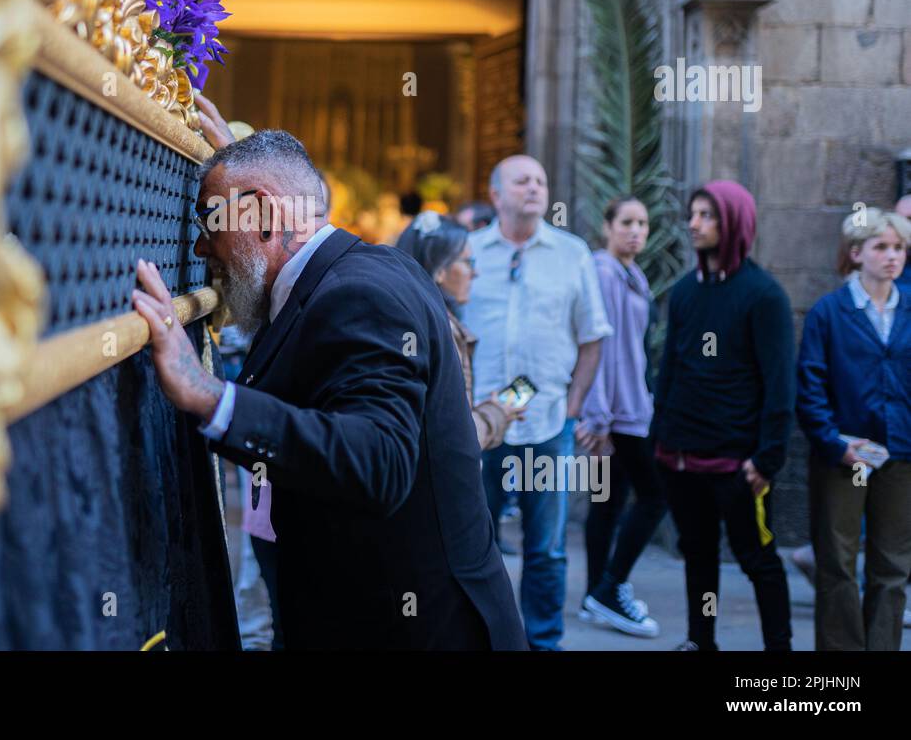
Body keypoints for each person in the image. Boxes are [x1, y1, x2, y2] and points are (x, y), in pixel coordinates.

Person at [130, 124, 526, 650]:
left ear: (265, 214)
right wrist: (237, 179)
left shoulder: (358, 293)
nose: (202, 245)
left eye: (209, 219)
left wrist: (206, 393)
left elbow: (379, 461)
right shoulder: (331, 275)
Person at [464, 155, 613, 650]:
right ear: (496, 195)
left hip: (548, 426)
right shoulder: (470, 253)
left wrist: (572, 407)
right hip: (479, 427)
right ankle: (480, 638)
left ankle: (544, 644)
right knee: (472, 542)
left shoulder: (572, 255)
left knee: (546, 548)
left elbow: (593, 337)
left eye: (541, 179)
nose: (534, 187)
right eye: (522, 180)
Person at [653, 180, 794, 651]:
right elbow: (671, 368)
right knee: (698, 554)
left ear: (733, 222)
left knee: (759, 560)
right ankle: (701, 640)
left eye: (706, 215)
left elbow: (780, 384)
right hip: (681, 458)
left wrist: (766, 460)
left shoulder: (763, 295)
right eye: (692, 214)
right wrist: (661, 439)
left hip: (739, 466)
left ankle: (780, 649)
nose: (693, 224)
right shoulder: (685, 292)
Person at [797, 207, 911, 651]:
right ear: (856, 252)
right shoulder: (829, 312)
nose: (891, 256)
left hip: (901, 453)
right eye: (881, 247)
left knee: (893, 565)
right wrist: (833, 443)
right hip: (844, 456)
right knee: (837, 564)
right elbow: (809, 386)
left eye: (898, 247)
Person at [579, 196, 665, 638]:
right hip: (618, 413)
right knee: (653, 498)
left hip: (632, 405)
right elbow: (602, 346)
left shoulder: (633, 274)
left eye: (643, 223)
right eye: (627, 222)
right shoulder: (604, 272)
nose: (636, 231)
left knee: (609, 501)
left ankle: (596, 595)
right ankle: (610, 588)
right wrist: (598, 415)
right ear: (608, 226)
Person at [396, 211, 523, 450]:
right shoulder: (441, 330)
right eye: (468, 262)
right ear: (440, 271)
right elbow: (454, 435)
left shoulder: (409, 315)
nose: (476, 273)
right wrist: (497, 413)